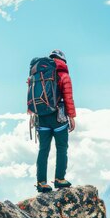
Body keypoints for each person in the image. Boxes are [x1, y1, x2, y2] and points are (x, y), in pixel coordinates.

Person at [35, 49, 76, 193]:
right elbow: (68, 98)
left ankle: (41, 182)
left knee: (43, 150)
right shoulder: (64, 75)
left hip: (41, 117)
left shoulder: (39, 74)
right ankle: (59, 179)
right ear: (63, 61)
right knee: (62, 148)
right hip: (58, 117)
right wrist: (71, 117)